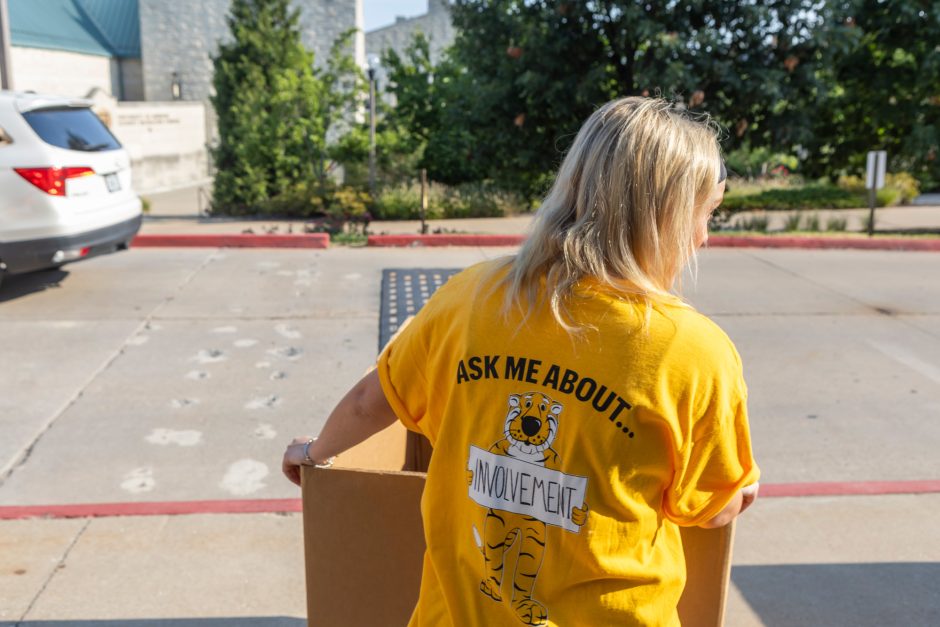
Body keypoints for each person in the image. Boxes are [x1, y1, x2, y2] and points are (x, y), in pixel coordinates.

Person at [283, 96, 760, 626]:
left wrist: (314, 452)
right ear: (665, 217)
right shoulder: (692, 351)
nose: (702, 237)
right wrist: (742, 491)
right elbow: (711, 508)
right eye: (704, 215)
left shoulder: (470, 296)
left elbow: (373, 399)